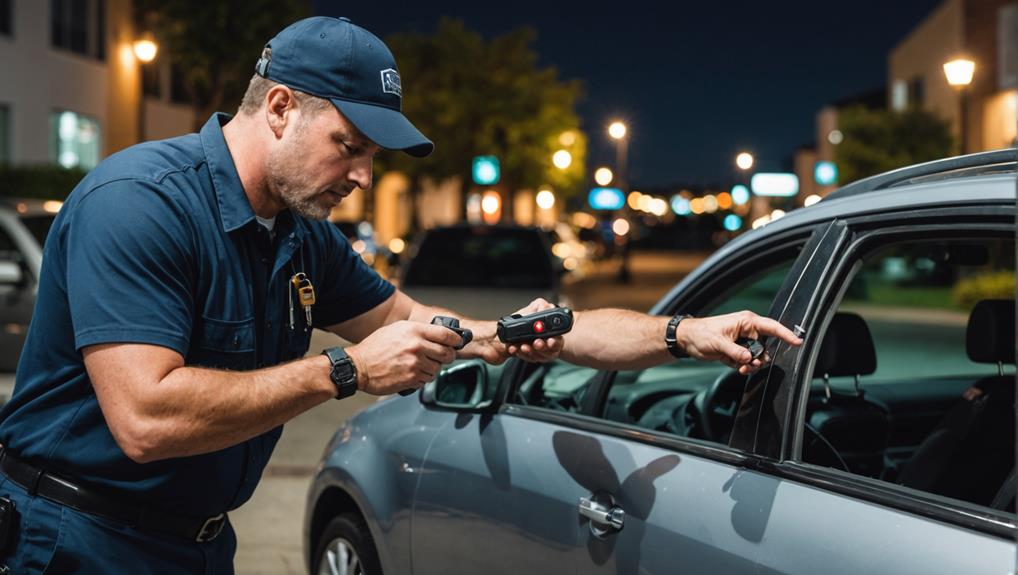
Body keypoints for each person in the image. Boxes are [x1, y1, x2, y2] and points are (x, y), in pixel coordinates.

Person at [0, 16, 800, 574]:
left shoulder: (298, 234)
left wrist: (682, 332)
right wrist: (343, 372)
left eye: (373, 156)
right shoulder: (140, 202)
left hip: (196, 544)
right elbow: (144, 418)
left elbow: (468, 332)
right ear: (279, 108)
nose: (362, 177)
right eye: (349, 145)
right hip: (71, 537)